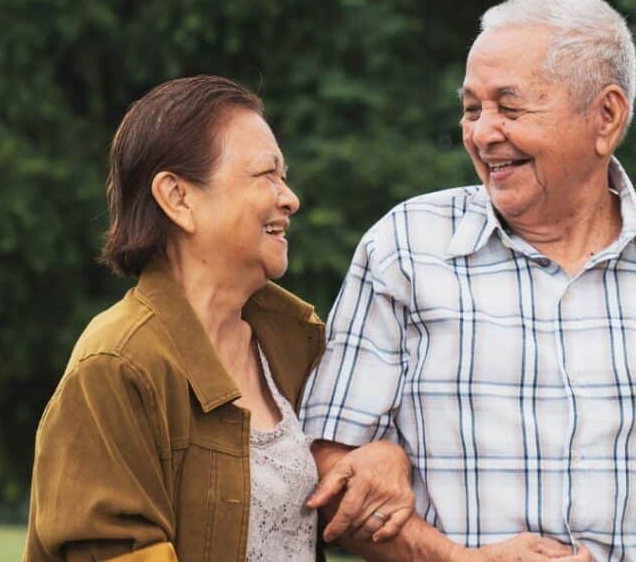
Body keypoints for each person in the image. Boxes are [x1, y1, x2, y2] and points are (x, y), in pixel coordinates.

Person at [301, 0, 636, 561]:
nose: (482, 133)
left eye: (510, 108)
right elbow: (330, 474)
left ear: (606, 116)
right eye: (472, 108)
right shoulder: (406, 248)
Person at [23, 75, 413, 562]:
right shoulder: (118, 364)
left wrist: (386, 457)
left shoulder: (296, 344)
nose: (289, 198)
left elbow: (339, 483)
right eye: (266, 175)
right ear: (179, 198)